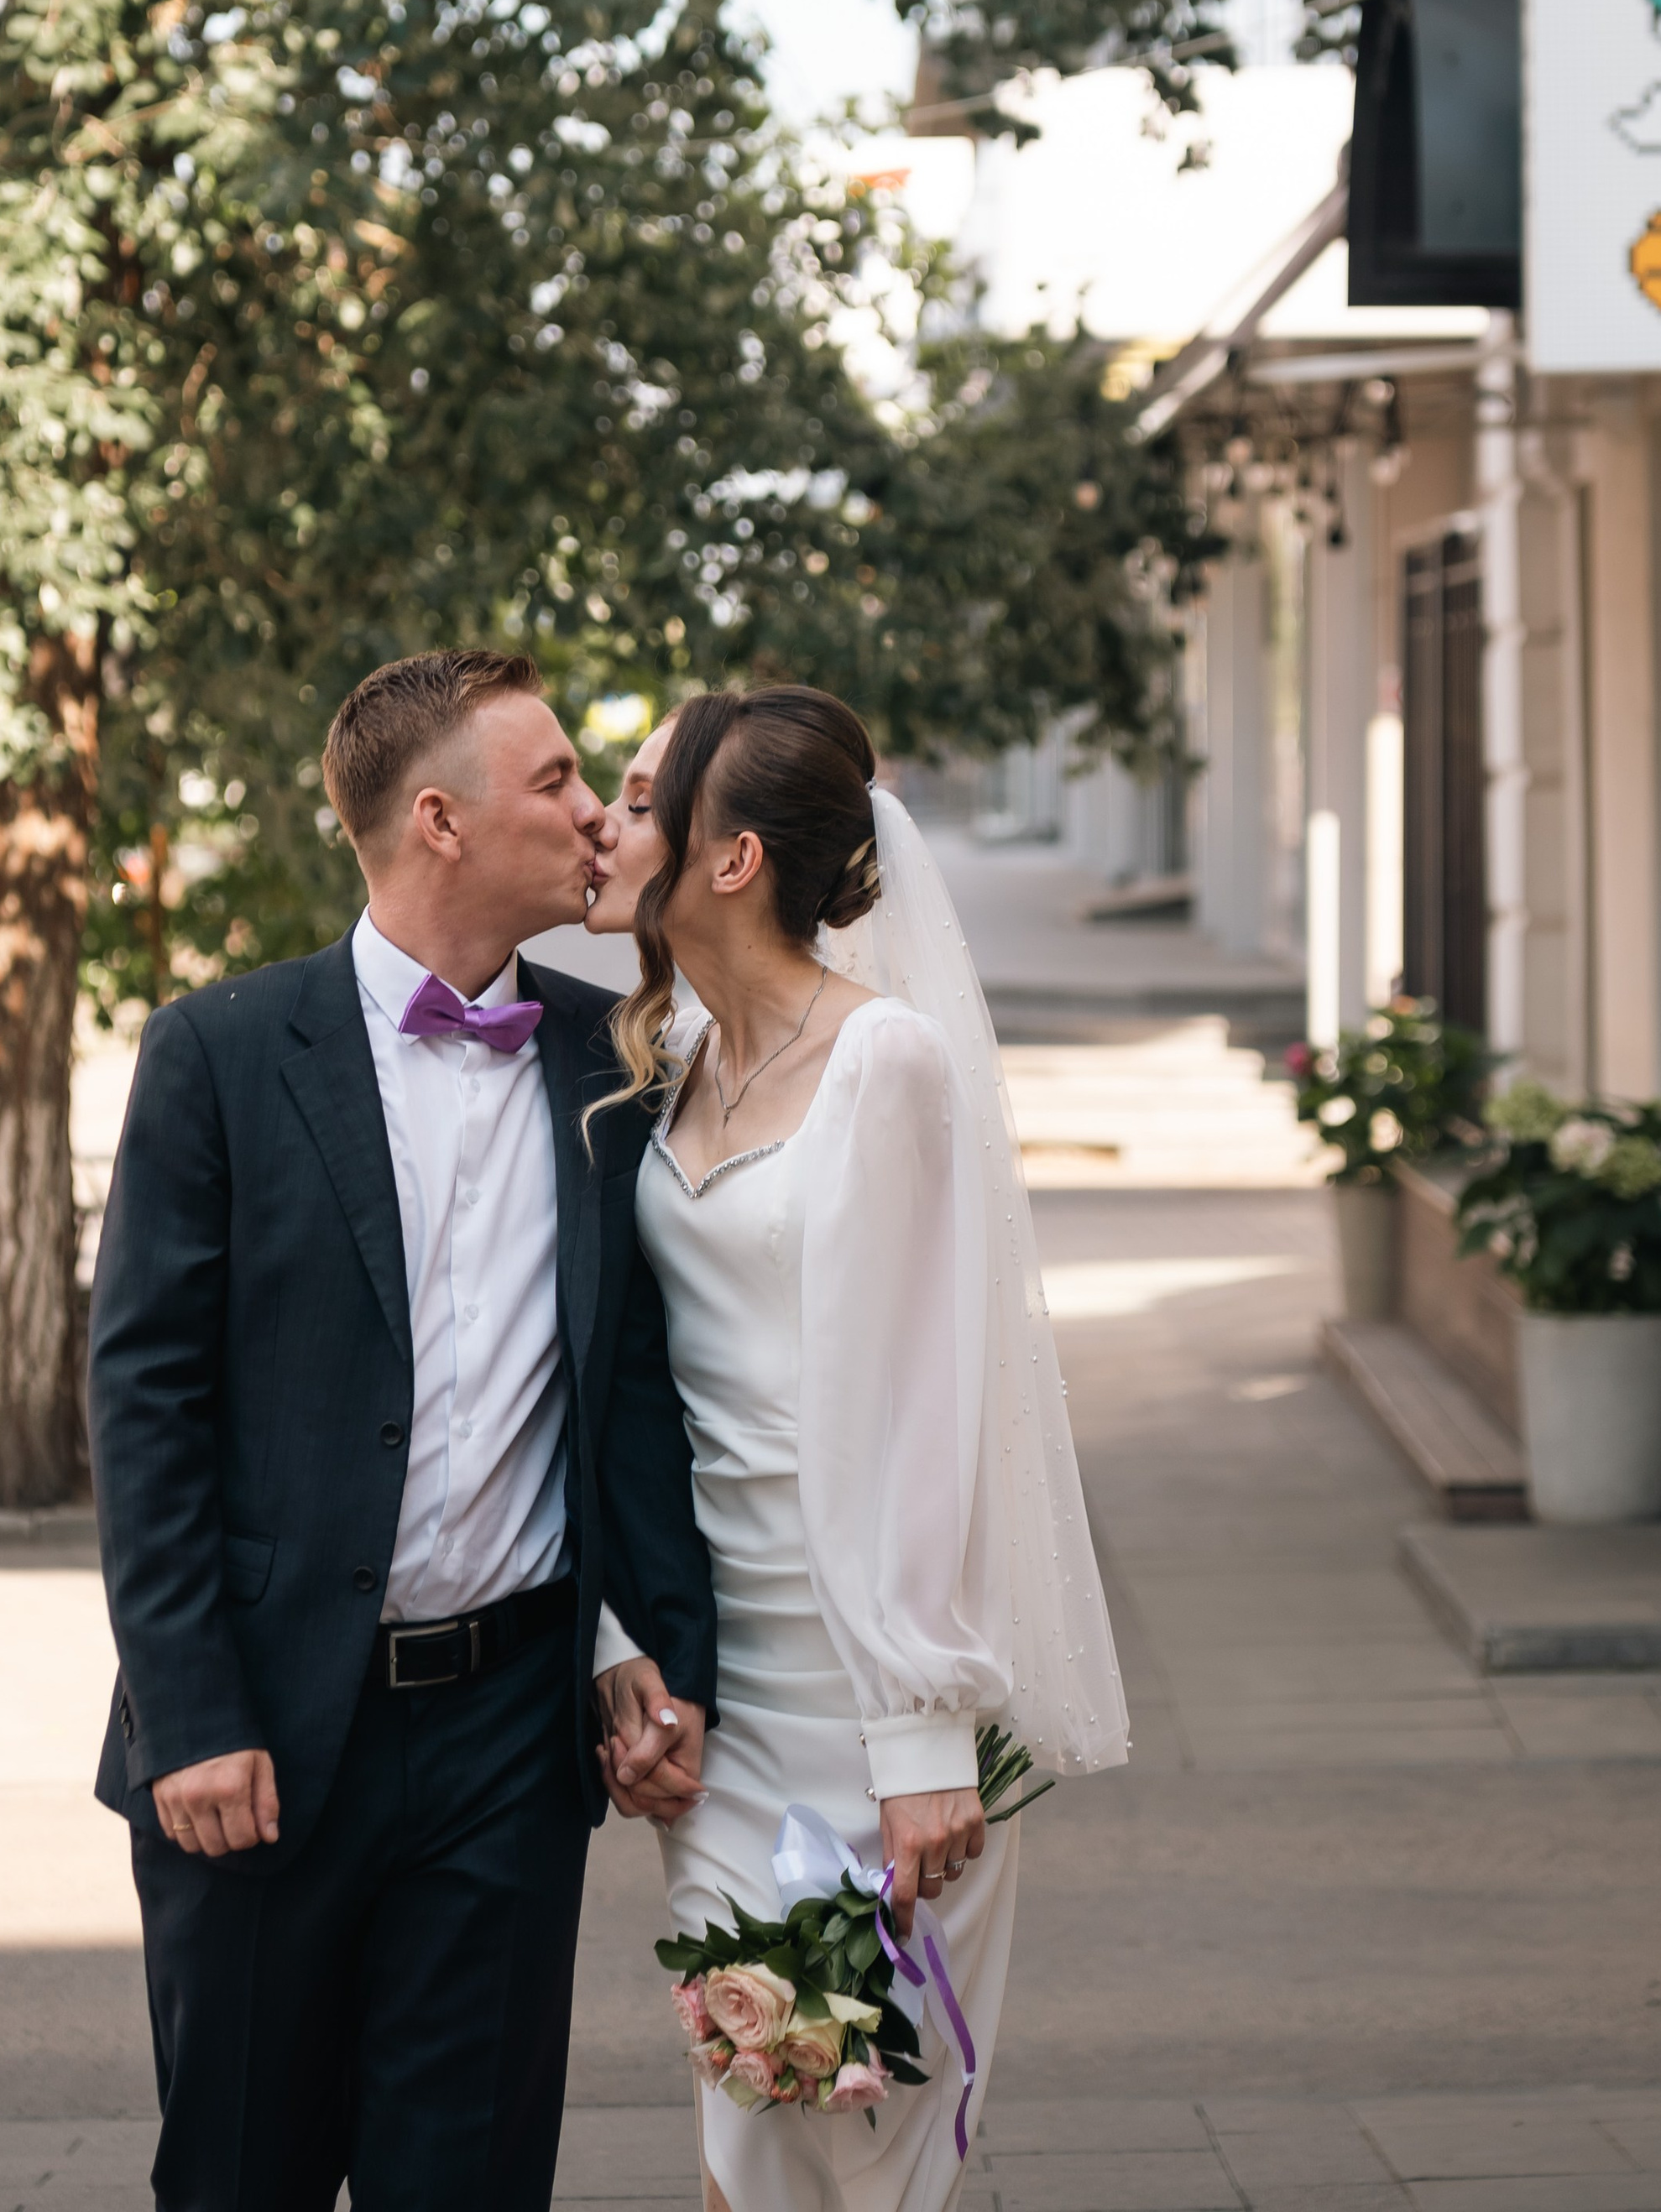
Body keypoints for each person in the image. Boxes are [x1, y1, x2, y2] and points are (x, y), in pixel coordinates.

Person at [86, 648, 717, 2212]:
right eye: (559, 780)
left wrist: (648, 1646)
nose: (596, 815)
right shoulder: (220, 1054)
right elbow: (143, 1405)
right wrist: (194, 1709)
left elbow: (632, 1397)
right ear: (439, 819)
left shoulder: (613, 1062)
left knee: (477, 2182)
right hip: (263, 1739)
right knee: (243, 2175)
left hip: (510, 1743)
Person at [582, 686, 1128, 2212]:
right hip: (720, 1693)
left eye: (637, 800)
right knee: (743, 2132)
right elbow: (624, 1396)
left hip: (868, 1691)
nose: (600, 826)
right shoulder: (663, 1057)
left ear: (734, 857)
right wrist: (625, 1646)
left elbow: (921, 1412)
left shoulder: (884, 1064)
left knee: (866, 2160)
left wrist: (919, 1738)